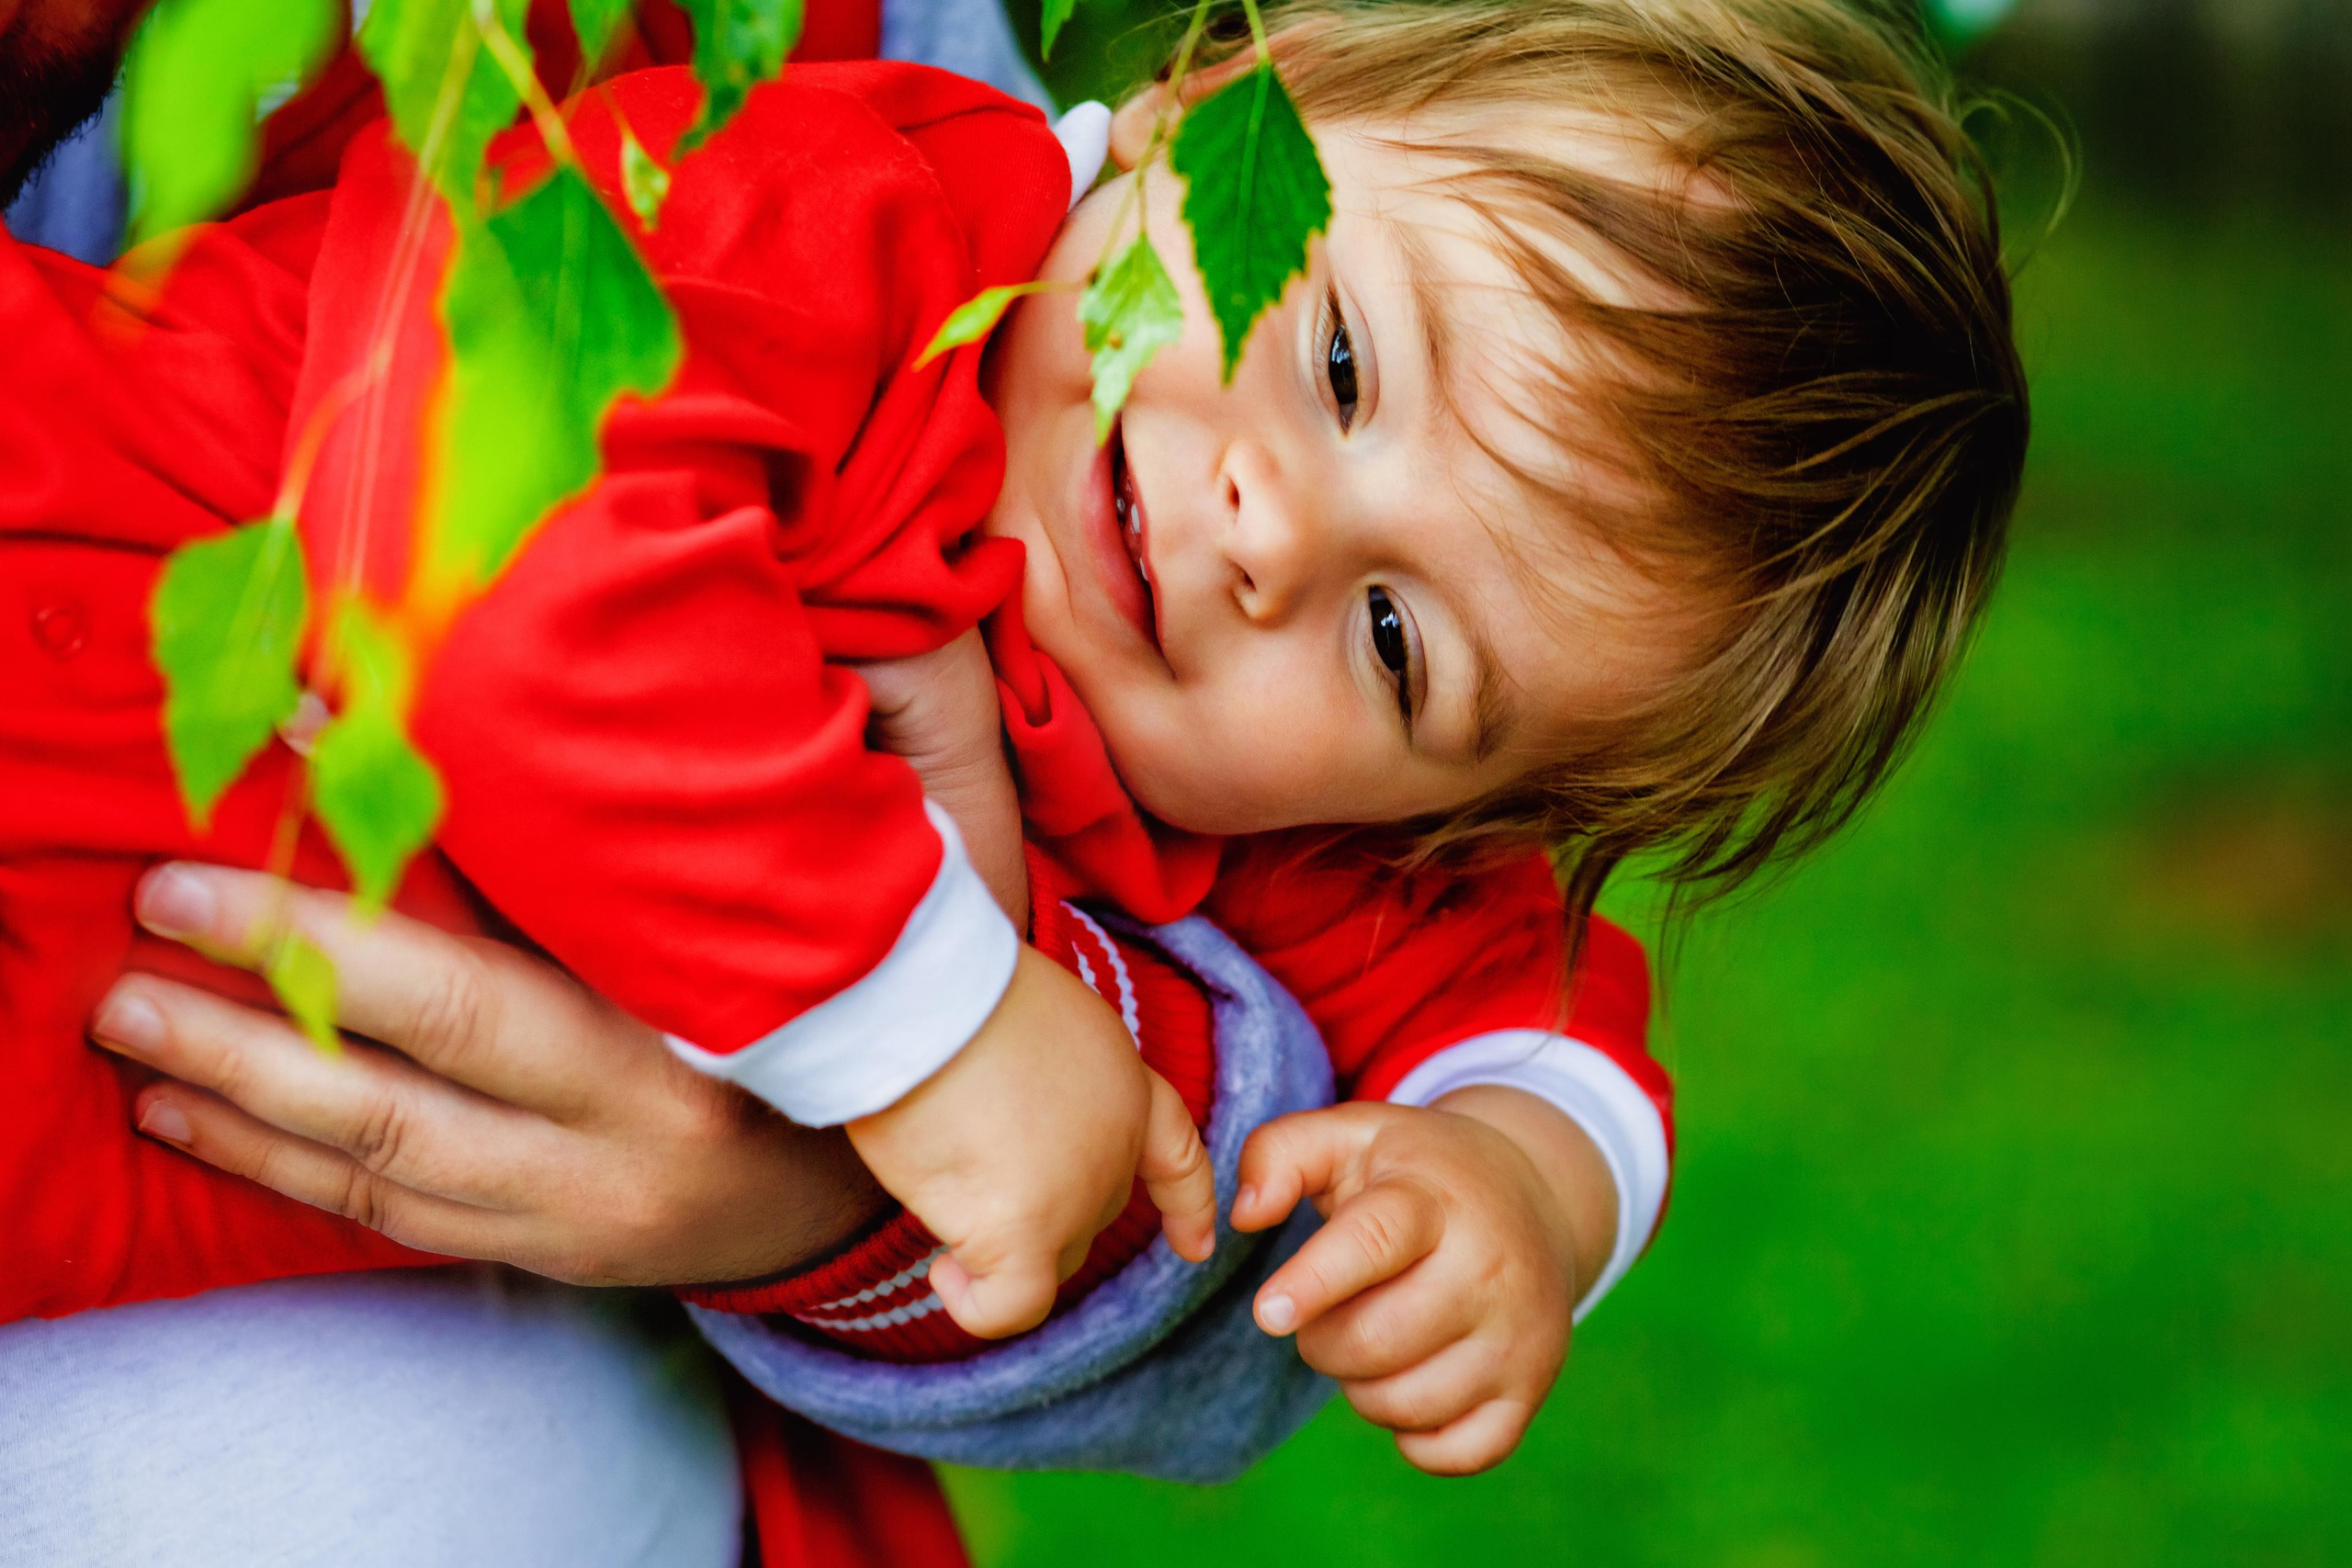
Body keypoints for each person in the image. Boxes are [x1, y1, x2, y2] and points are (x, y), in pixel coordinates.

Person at [6, 0, 2019, 1497]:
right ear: (1226, 104)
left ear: (1453, 808)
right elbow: (490, 531)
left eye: (1396, 638)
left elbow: (1528, 1013)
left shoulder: (1240, 810)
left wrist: (1514, 1184)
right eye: (1332, 357)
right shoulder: (848, 201)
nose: (1271, 531)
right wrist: (939, 1029)